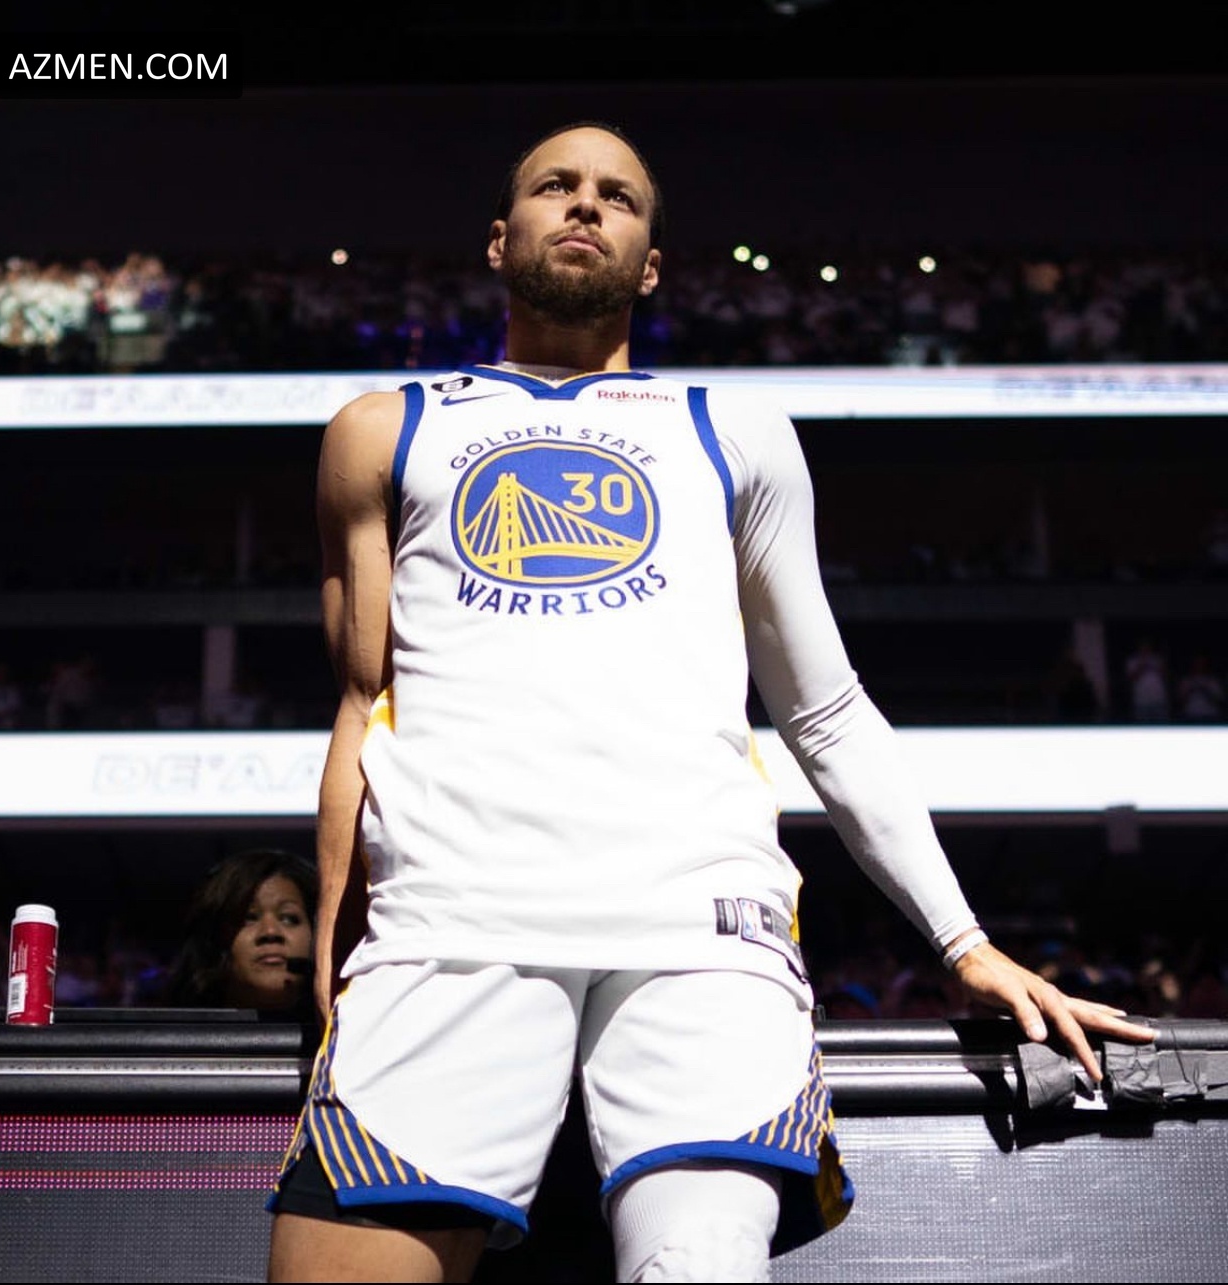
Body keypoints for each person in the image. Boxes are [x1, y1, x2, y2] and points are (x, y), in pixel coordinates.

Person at [266, 121, 1157, 1284]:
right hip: (449, 920)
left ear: (651, 265)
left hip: (700, 933)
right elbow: (361, 704)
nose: (585, 205)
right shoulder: (384, 427)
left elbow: (824, 710)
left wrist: (962, 939)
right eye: (555, 185)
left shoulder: (733, 429)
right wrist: (335, 952)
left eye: (618, 196)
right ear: (498, 238)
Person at [164, 847, 317, 1021]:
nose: (270, 932)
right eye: (248, 918)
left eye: (289, 919)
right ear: (214, 940)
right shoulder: (172, 1035)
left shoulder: (341, 1033)